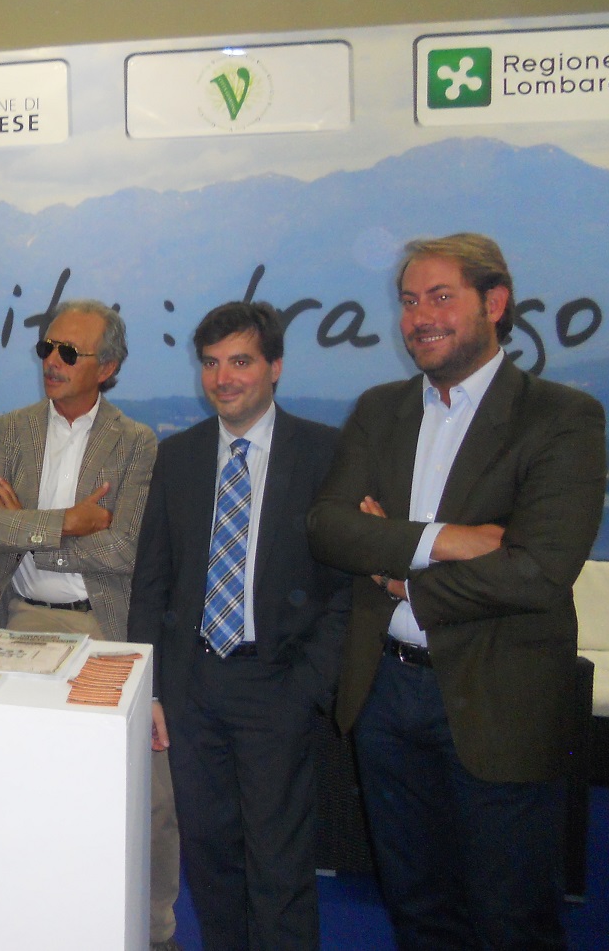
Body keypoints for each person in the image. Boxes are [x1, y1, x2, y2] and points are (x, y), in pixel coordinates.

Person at [307, 233, 607, 950]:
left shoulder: (561, 416)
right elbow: (328, 528)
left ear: (494, 303)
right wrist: (446, 538)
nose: (419, 317)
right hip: (386, 695)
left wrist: (398, 572)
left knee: (512, 917)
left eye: (441, 297)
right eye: (409, 301)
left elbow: (538, 570)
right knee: (417, 907)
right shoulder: (379, 409)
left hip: (499, 698)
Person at [0, 297, 183, 951]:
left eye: (68, 352)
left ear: (106, 367)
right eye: (46, 348)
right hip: (18, 621)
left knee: (150, 794)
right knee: (11, 778)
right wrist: (65, 522)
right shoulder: (13, 429)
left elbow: (122, 549)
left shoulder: (136, 442)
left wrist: (25, 528)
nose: (51, 362)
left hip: (102, 626)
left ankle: (157, 926)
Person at [129, 301, 348, 951]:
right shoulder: (178, 456)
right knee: (211, 859)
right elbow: (151, 579)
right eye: (211, 363)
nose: (223, 378)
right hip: (193, 687)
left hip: (278, 684)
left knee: (280, 868)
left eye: (241, 361)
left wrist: (306, 685)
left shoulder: (325, 454)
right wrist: (152, 688)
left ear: (275, 367)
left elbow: (347, 589)